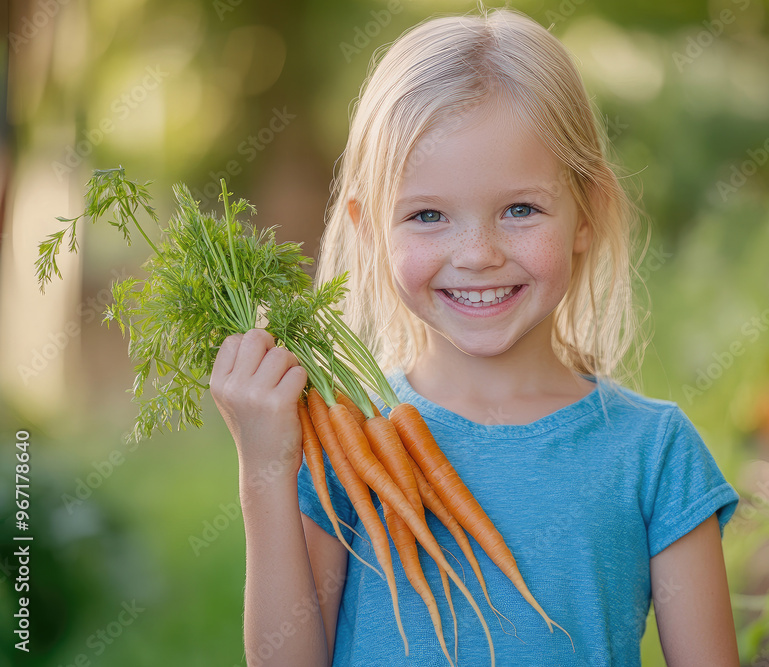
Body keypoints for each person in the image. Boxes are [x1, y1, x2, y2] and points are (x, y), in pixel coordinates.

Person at [209, 5, 741, 666]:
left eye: (520, 209)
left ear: (588, 213)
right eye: (428, 215)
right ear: (372, 231)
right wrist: (264, 466)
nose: (478, 253)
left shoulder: (654, 454)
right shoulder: (345, 446)